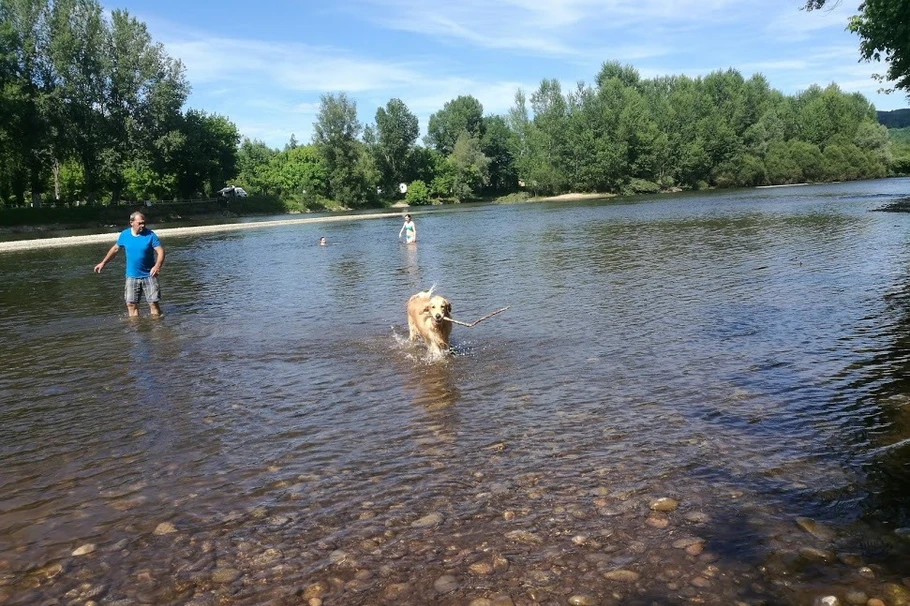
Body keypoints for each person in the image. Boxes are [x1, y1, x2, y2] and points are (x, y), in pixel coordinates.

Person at [94, 211, 165, 317]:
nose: (143, 225)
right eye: (140, 223)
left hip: (149, 274)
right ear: (132, 222)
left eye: (144, 223)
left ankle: (157, 328)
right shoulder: (125, 234)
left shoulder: (151, 235)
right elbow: (115, 249)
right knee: (131, 304)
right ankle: (135, 330)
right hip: (132, 275)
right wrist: (103, 263)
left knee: (153, 303)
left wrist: (157, 266)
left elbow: (161, 251)